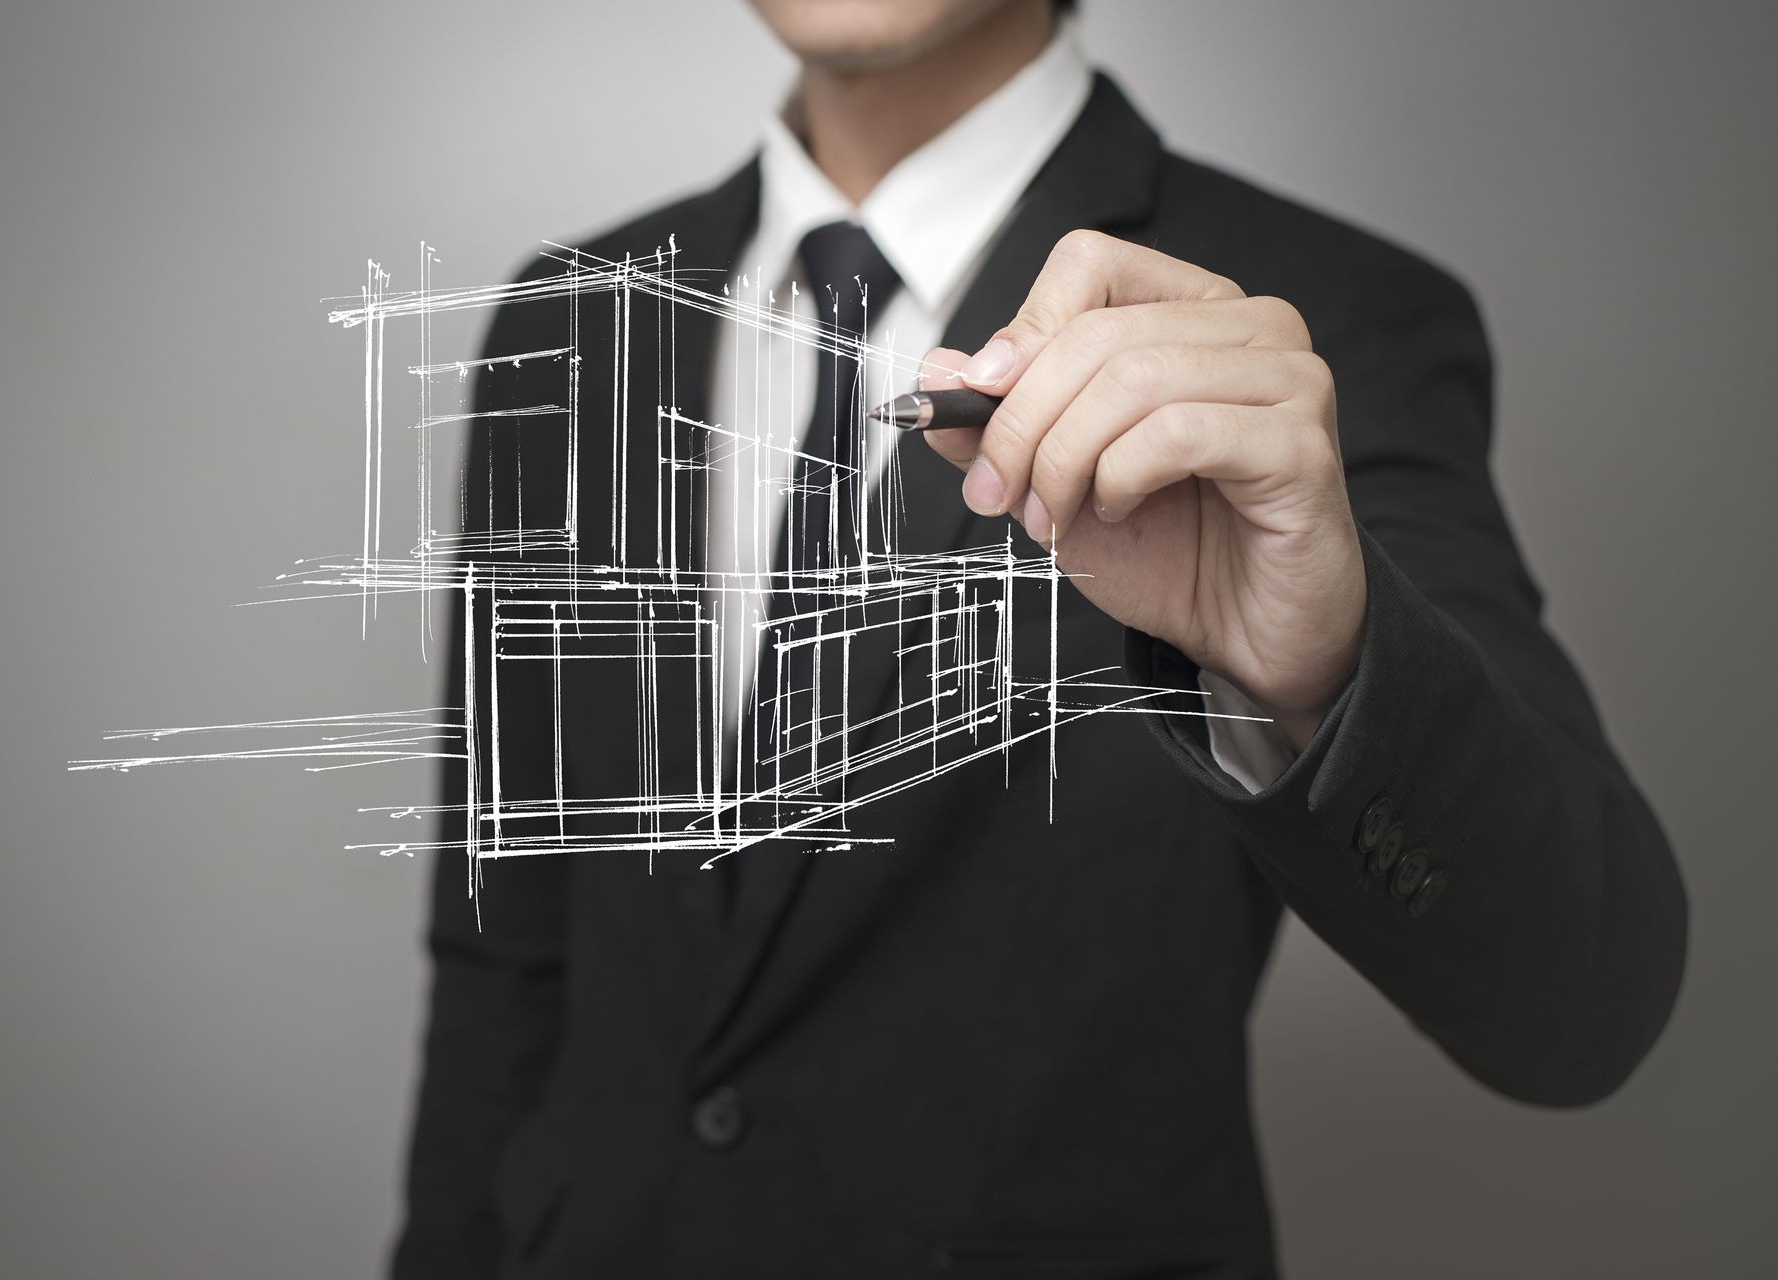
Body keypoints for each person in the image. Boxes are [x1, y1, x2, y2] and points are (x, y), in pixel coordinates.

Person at [393, 1, 1687, 1276]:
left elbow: (1580, 1004)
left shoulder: (1320, 322)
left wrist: (1319, 664)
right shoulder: (567, 320)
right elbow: (504, 953)